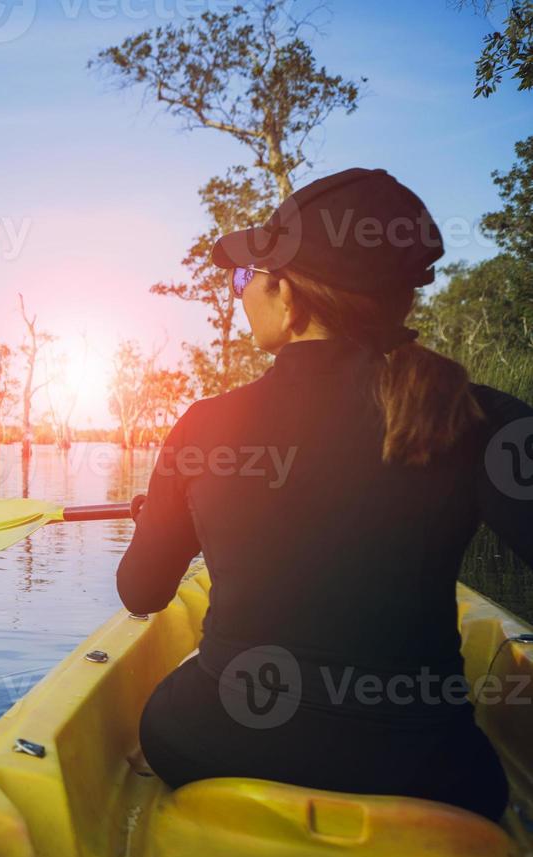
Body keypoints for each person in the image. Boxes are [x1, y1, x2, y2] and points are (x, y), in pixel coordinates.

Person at [119, 168, 533, 821]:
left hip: (209, 744)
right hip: (434, 775)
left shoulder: (205, 426)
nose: (241, 294)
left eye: (243, 279)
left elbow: (140, 593)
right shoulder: (485, 421)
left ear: (286, 294)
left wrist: (164, 517)